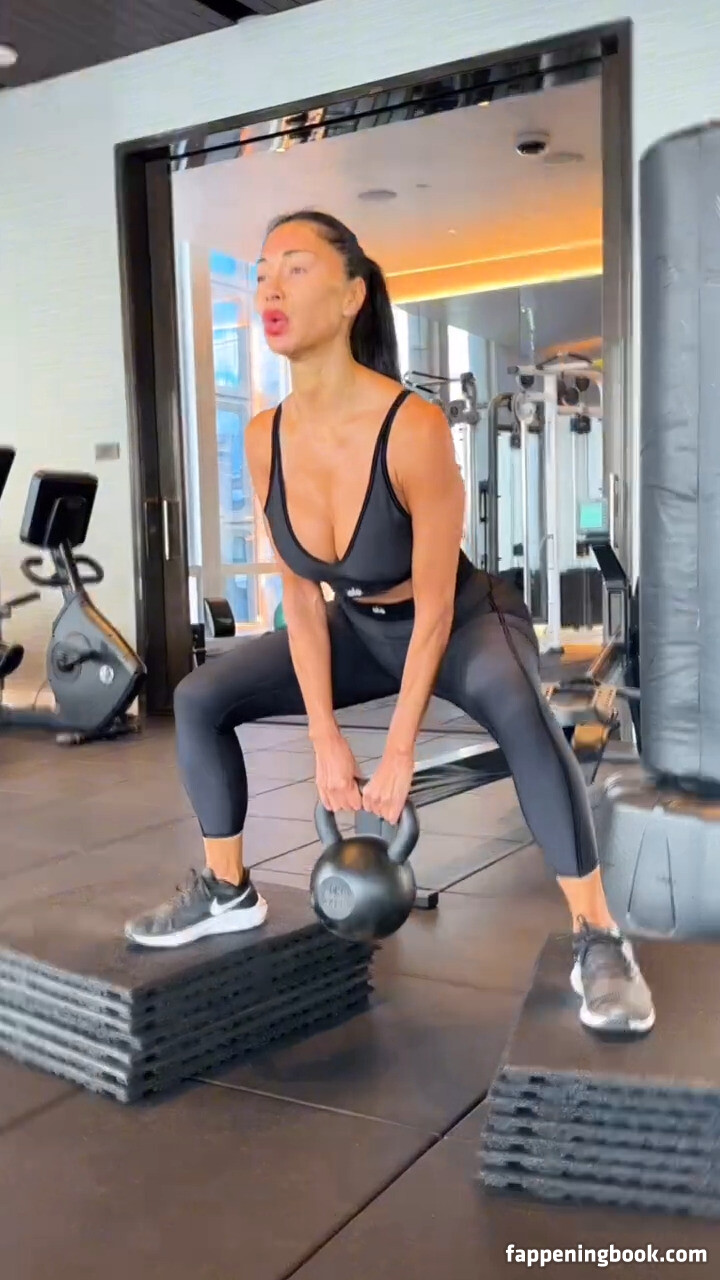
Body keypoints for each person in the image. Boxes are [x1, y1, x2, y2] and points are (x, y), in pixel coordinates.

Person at [125, 210, 655, 1037]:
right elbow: (303, 598)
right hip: (358, 630)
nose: (269, 288)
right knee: (200, 698)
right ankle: (227, 888)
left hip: (465, 621)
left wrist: (398, 752)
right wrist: (325, 739)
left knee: (521, 709)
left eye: (295, 268)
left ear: (351, 297)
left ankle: (598, 935)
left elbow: (437, 607)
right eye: (262, 272)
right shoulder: (264, 437)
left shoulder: (412, 427)